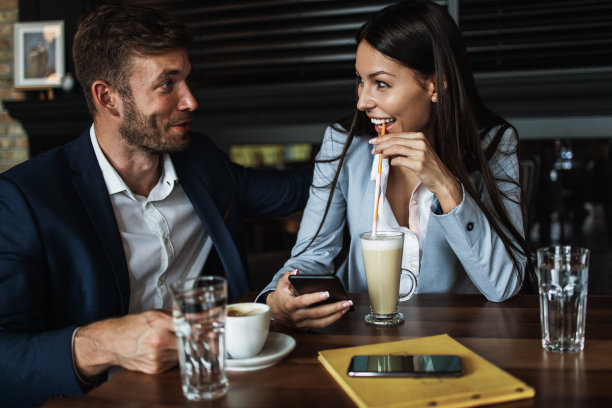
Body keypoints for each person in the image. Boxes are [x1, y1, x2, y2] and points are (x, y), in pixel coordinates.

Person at [0, 4, 310, 407]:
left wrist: (379, 138)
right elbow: (6, 355)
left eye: (186, 79)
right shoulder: (24, 199)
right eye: (167, 85)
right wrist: (101, 345)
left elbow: (299, 187)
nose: (190, 101)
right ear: (107, 97)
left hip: (217, 388)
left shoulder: (203, 162)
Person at [260, 0, 531, 329]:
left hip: (457, 342)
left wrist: (445, 185)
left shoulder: (494, 145)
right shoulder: (343, 144)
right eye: (361, 81)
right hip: (361, 338)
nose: (363, 102)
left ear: (436, 84)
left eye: (382, 84)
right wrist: (276, 298)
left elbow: (503, 286)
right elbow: (311, 255)